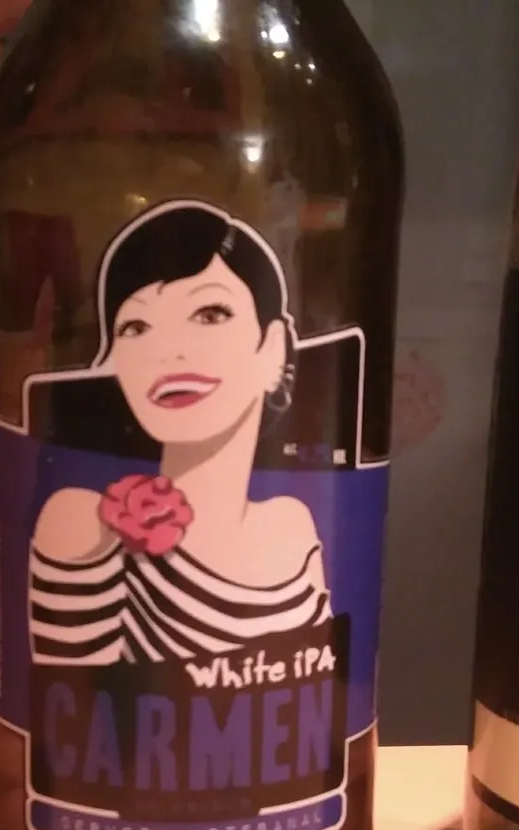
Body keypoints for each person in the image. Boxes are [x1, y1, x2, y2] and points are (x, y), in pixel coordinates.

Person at [28, 200, 331, 666]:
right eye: (135, 326)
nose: (167, 351)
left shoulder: (294, 526)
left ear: (273, 349)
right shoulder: (83, 527)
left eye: (210, 314)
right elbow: (64, 704)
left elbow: (324, 685)